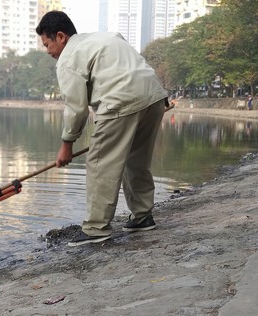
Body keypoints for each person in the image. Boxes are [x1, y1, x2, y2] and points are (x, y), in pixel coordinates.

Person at [35, 11, 170, 247]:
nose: (48, 51)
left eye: (47, 45)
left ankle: (96, 228)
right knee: (135, 160)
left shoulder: (69, 57)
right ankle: (142, 216)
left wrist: (67, 144)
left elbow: (77, 108)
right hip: (155, 97)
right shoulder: (106, 38)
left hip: (120, 102)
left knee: (100, 163)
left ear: (60, 37)